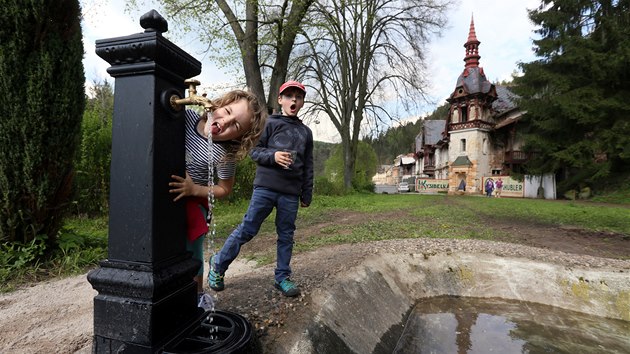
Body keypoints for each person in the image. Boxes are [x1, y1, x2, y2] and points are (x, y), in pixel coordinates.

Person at [208, 80, 314, 297]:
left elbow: (309, 165)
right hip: (266, 188)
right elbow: (254, 152)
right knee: (247, 229)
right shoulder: (268, 124)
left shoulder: (306, 132)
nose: (294, 99)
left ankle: (282, 278)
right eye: (289, 96)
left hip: (291, 192)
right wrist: (273, 156)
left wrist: (307, 191)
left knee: (286, 235)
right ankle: (218, 265)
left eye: (298, 97)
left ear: (302, 102)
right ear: (280, 100)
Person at [169, 90, 267, 298]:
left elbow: (225, 188)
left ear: (240, 137)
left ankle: (197, 296)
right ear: (218, 105)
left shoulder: (224, 155)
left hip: (193, 202)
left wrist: (194, 189)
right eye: (228, 111)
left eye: (236, 126)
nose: (227, 121)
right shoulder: (186, 118)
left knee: (192, 252)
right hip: (166, 195)